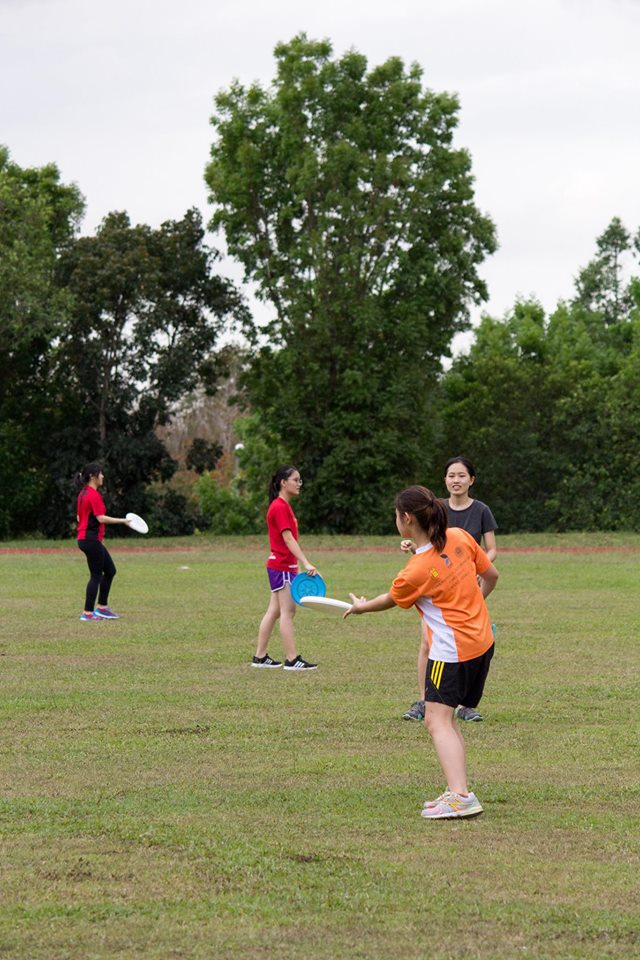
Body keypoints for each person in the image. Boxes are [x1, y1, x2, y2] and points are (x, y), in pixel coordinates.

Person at [345, 485, 498, 819]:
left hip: (451, 654)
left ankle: (460, 796)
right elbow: (491, 575)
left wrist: (361, 607)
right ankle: (458, 789)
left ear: (407, 518)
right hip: (482, 642)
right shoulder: (459, 536)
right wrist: (473, 608)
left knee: (435, 720)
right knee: (448, 718)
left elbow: (390, 599)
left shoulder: (414, 571)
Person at [402, 456, 498, 722]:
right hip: (438, 588)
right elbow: (428, 547)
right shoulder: (437, 508)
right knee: (427, 642)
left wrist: (474, 566)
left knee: (471, 644)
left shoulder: (481, 510)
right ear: (444, 479)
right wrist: (412, 547)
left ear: (472, 480)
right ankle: (425, 700)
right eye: (451, 475)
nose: (456, 480)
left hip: (467, 587)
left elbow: (491, 549)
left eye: (462, 475)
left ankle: (465, 704)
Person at [252, 465, 318, 671]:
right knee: (288, 611)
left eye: (300, 480)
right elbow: (288, 539)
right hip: (282, 567)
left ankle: (260, 657)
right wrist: (306, 562)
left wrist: (297, 564)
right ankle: (291, 659)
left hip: (282, 566)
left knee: (274, 611)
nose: (299, 484)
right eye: (295, 480)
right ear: (283, 482)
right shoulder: (280, 507)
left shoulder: (282, 506)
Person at [75, 462, 131, 621]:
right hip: (90, 540)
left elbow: (79, 517)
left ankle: (102, 608)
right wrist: (123, 521)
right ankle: (87, 613)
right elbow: (101, 518)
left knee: (110, 571)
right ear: (93, 476)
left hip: (87, 539)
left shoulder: (83, 494)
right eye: (100, 473)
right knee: (96, 575)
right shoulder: (93, 495)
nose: (102, 476)